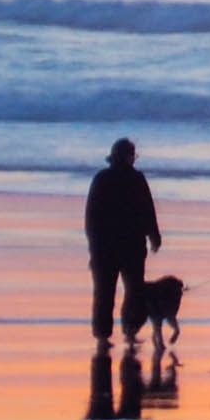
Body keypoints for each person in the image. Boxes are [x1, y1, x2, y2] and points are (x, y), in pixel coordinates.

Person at [85, 137, 161, 342]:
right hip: (132, 246)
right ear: (129, 157)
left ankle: (102, 335)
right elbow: (148, 211)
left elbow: (91, 217)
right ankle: (130, 329)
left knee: (104, 292)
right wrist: (154, 236)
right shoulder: (137, 179)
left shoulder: (101, 179)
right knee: (134, 290)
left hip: (105, 248)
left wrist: (93, 246)